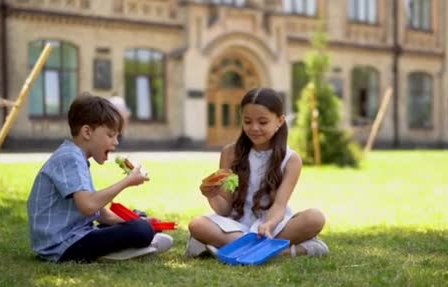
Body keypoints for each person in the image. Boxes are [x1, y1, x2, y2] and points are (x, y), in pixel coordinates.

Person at [27, 93, 173, 262]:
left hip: (77, 235)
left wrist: (141, 219)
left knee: (139, 218)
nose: (116, 142)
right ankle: (129, 248)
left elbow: (103, 215)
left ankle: (129, 245)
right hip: (61, 246)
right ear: (87, 132)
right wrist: (127, 182)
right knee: (141, 230)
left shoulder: (77, 158)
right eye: (110, 135)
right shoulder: (70, 158)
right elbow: (88, 205)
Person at [185, 87, 328, 258]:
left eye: (263, 122)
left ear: (280, 121)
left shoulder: (291, 160)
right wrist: (212, 195)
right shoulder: (230, 153)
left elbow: (279, 205)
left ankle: (235, 248)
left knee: (315, 218)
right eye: (247, 121)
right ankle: (282, 251)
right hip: (235, 226)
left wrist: (268, 224)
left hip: (272, 225)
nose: (254, 128)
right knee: (197, 225)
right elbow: (224, 210)